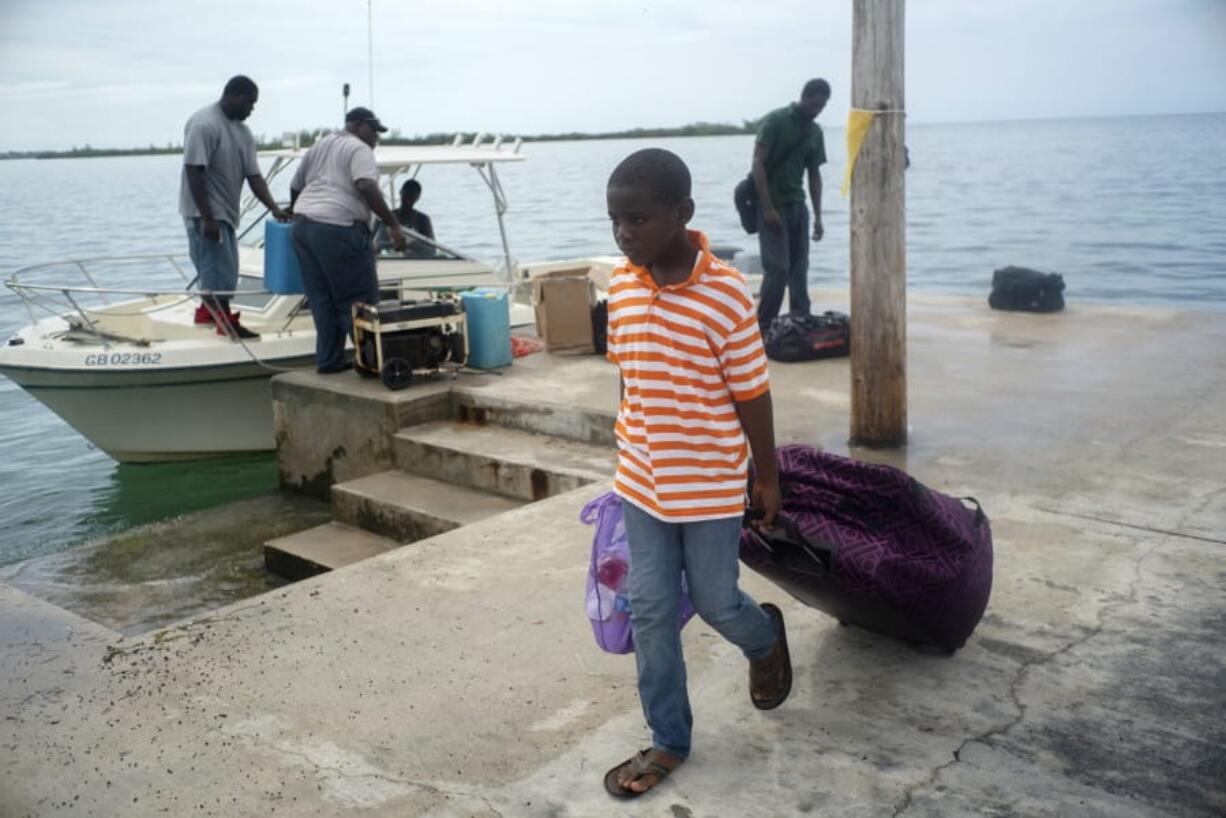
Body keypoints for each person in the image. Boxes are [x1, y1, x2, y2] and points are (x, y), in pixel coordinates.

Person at [602, 148, 792, 798]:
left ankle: (764, 642)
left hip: (710, 487)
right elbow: (629, 376)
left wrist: (765, 478)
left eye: (638, 219)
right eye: (615, 221)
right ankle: (669, 740)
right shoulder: (621, 285)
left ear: (681, 213)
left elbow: (751, 394)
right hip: (642, 486)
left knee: (716, 602)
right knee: (650, 610)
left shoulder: (724, 294)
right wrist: (629, 448)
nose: (625, 233)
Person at [288, 107, 406, 373]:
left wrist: (298, 213)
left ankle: (329, 362)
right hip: (338, 227)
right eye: (374, 130)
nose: (376, 138)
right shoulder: (359, 148)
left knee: (323, 300)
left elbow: (295, 186)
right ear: (360, 125)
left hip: (303, 227)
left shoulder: (320, 145)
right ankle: (372, 363)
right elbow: (365, 185)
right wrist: (393, 225)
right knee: (359, 300)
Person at [179, 75, 289, 340]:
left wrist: (274, 208)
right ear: (235, 95)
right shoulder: (204, 124)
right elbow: (194, 170)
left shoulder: (243, 132)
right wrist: (207, 217)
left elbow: (254, 176)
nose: (252, 108)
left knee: (226, 269)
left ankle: (208, 311)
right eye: (250, 102)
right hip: (203, 213)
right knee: (216, 270)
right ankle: (226, 323)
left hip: (226, 213)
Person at [751, 78, 830, 332]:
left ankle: (800, 319)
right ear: (804, 97)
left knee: (800, 266)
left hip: (798, 206)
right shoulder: (775, 121)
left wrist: (818, 217)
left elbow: (814, 175)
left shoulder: (815, 132)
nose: (817, 110)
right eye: (815, 104)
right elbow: (757, 164)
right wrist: (766, 207)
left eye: (823, 106)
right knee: (778, 268)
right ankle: (763, 326)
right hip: (773, 206)